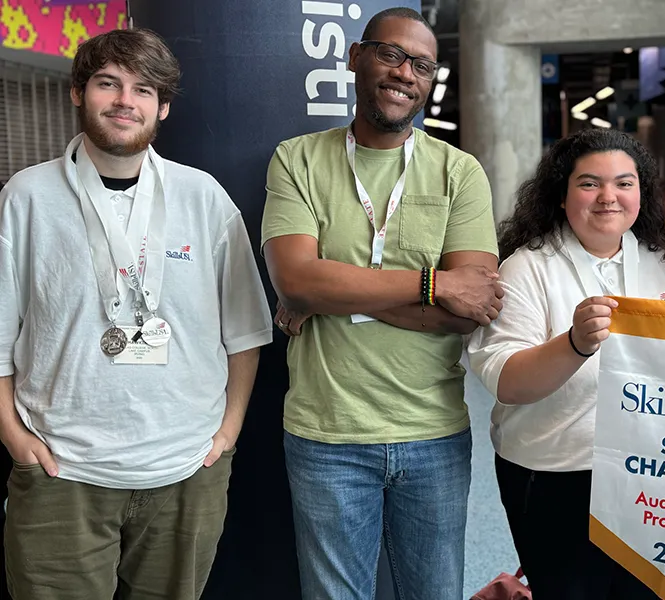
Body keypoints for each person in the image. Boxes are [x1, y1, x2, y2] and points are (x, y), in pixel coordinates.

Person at [0, 29, 273, 599]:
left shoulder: (204, 197)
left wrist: (228, 430)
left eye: (144, 89)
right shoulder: (26, 197)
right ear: (79, 92)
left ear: (163, 107)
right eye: (109, 83)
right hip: (62, 469)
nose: (126, 100)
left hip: (185, 468)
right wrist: (10, 433)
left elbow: (245, 331)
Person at [261, 7, 502, 599]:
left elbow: (473, 302)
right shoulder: (296, 159)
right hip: (327, 435)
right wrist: (432, 283)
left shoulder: (458, 171)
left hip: (434, 433)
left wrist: (330, 292)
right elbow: (294, 280)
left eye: (422, 64)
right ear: (356, 57)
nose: (405, 74)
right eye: (392, 54)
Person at [468, 128, 665, 599]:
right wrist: (574, 344)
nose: (609, 196)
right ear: (561, 194)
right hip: (554, 475)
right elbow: (506, 380)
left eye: (624, 183)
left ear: (642, 193)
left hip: (648, 476)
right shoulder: (527, 268)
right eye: (590, 183)